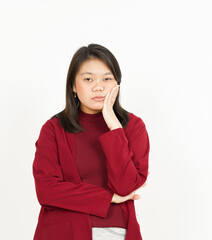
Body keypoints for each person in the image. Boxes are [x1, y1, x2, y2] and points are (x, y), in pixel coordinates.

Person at [32, 43, 150, 240]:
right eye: (88, 79)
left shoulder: (132, 127)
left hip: (114, 232)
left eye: (107, 78)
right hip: (63, 232)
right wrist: (109, 198)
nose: (98, 86)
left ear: (117, 84)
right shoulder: (53, 129)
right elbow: (46, 191)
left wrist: (114, 127)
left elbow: (125, 187)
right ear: (73, 85)